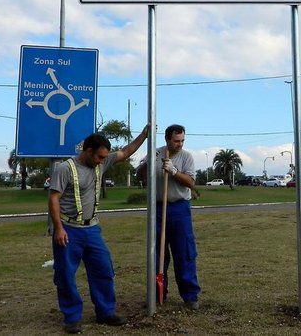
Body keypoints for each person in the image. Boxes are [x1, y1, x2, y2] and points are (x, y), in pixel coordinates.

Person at [49, 126, 148, 334]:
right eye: (100, 157)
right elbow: (54, 198)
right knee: (66, 274)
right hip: (69, 229)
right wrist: (58, 228)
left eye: (105, 157)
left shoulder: (101, 162)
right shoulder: (65, 169)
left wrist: (145, 134)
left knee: (103, 269)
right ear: (88, 151)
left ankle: (105, 312)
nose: (103, 161)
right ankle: (72, 317)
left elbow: (127, 151)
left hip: (92, 229)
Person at [137, 124, 201, 310]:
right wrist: (148, 163)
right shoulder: (155, 153)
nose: (179, 144)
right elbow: (140, 176)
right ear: (167, 139)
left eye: (182, 141)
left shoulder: (186, 157)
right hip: (157, 209)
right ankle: (157, 294)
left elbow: (190, 182)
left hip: (179, 209)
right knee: (156, 253)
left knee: (184, 253)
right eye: (176, 141)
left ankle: (190, 296)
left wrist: (173, 171)